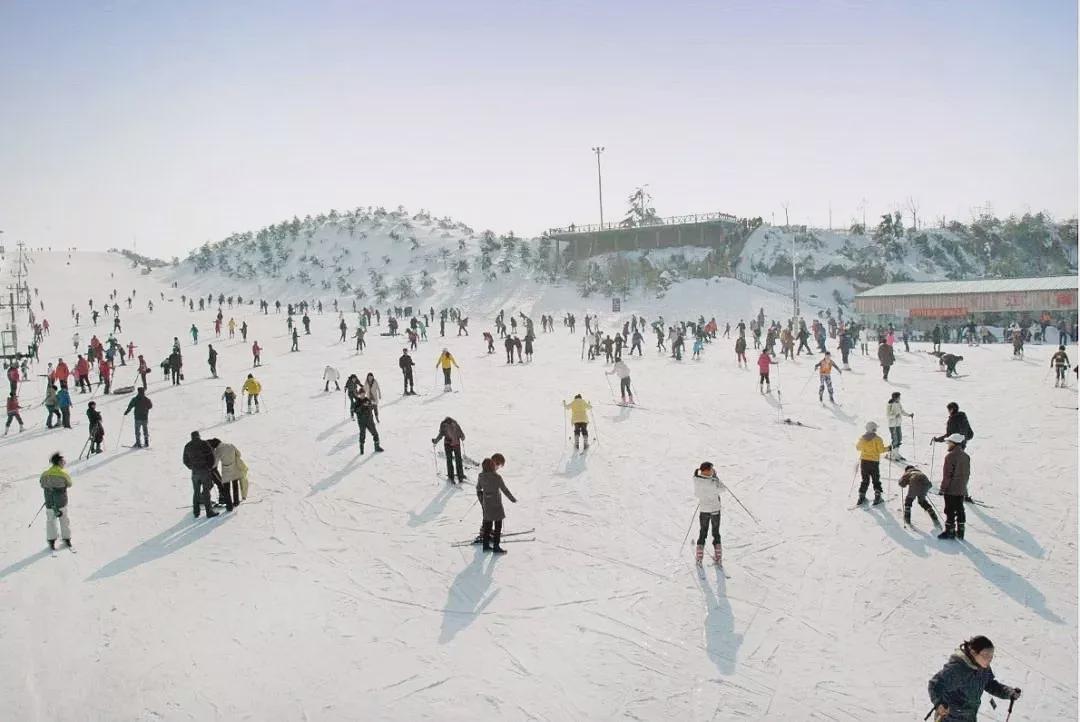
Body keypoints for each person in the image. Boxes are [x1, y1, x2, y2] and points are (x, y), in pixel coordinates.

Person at [928, 636, 1020, 721]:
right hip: (950, 718)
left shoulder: (983, 667)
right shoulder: (958, 668)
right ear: (973, 652)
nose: (989, 659)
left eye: (991, 656)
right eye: (985, 656)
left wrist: (1009, 692)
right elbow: (935, 685)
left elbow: (989, 684)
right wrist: (939, 704)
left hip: (969, 717)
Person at [477, 455, 517, 553]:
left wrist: (482, 498)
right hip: (496, 504)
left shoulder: (481, 476)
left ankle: (485, 546)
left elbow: (478, 488)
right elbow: (504, 489)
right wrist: (512, 499)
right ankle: (496, 546)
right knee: (498, 525)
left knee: (488, 525)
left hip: (486, 503)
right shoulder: (497, 477)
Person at [937, 433, 970, 539]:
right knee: (960, 509)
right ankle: (961, 532)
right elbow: (967, 473)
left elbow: (947, 475)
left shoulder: (950, 456)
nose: (947, 444)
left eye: (949, 442)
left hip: (951, 489)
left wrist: (943, 488)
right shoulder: (966, 456)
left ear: (954, 443)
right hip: (961, 488)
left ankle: (949, 531)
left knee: (949, 510)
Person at [39, 452, 73, 549]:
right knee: (64, 520)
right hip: (61, 502)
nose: (64, 463)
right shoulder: (63, 474)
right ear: (59, 462)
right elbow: (70, 484)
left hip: (49, 502)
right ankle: (66, 538)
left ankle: (51, 540)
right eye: (63, 461)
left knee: (50, 521)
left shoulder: (45, 474)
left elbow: (41, 484)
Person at [693, 461, 723, 566]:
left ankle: (699, 558)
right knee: (716, 533)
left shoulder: (696, 480)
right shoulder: (713, 481)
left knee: (703, 532)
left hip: (704, 510)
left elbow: (697, 494)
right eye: (711, 469)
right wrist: (715, 477)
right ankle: (718, 557)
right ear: (707, 470)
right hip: (715, 510)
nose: (712, 470)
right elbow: (723, 489)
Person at [182, 431, 219, 519]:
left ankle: (196, 512)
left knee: (196, 492)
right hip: (204, 471)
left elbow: (185, 460)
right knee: (206, 492)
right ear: (199, 436)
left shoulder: (188, 446)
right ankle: (209, 512)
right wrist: (209, 467)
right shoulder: (204, 444)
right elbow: (211, 457)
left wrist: (191, 467)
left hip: (195, 472)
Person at [855, 421, 890, 506]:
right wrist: (889, 448)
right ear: (874, 429)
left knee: (865, 480)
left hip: (864, 461)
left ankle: (861, 496)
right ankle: (877, 496)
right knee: (875, 479)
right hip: (874, 462)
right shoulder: (878, 439)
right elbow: (881, 450)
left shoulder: (863, 438)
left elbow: (858, 447)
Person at [211, 438, 248, 505]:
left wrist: (211, 467)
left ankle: (229, 505)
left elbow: (215, 463)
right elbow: (239, 454)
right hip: (234, 468)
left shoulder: (218, 450)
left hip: (226, 471)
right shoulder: (230, 445)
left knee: (227, 488)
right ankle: (236, 502)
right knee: (235, 485)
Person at [432, 416, 466, 483]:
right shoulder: (455, 424)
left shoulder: (443, 425)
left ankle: (451, 476)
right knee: (458, 460)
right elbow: (462, 435)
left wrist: (435, 441)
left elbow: (440, 435)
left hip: (448, 444)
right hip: (456, 444)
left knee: (449, 460)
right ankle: (460, 476)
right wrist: (462, 437)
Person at [352, 387, 383, 454]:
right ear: (359, 394)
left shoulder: (368, 400)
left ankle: (377, 447)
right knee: (362, 435)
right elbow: (355, 410)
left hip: (369, 420)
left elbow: (373, 407)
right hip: (361, 421)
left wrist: (371, 405)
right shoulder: (357, 402)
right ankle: (361, 450)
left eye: (363, 393)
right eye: (361, 394)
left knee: (375, 433)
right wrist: (363, 406)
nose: (362, 395)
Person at [885, 392, 913, 457]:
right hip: (892, 425)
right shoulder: (890, 404)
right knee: (895, 439)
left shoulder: (898, 403)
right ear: (895, 398)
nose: (899, 398)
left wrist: (909, 415)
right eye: (898, 397)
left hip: (898, 424)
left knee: (899, 438)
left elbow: (902, 411)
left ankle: (896, 453)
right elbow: (888, 415)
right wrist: (895, 416)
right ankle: (891, 454)